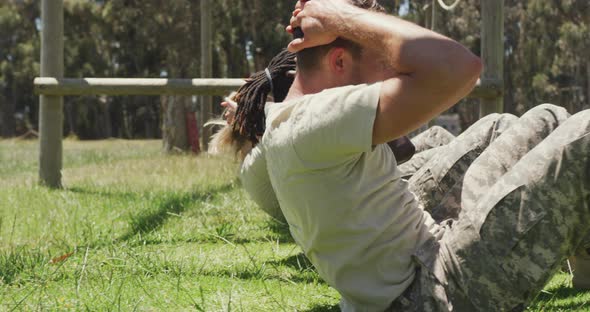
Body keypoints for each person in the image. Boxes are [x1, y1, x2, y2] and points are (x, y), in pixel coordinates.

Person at [209, 1, 590, 311]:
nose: (393, 73)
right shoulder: (313, 121)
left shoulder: (297, 119)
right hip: (433, 294)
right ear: (339, 63)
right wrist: (339, 16)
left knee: (546, 119)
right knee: (584, 133)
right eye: (384, 63)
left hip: (428, 259)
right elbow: (461, 67)